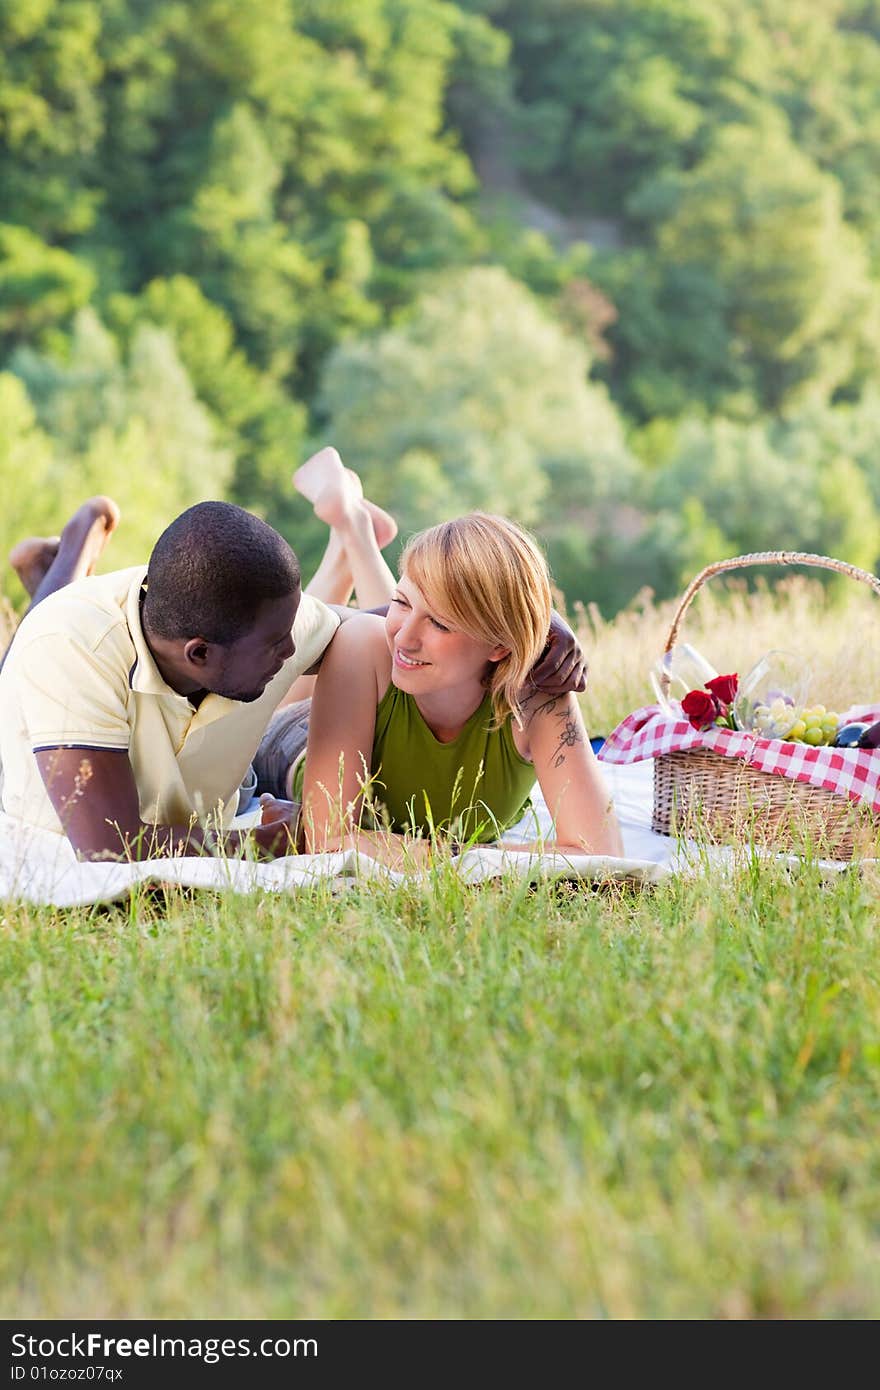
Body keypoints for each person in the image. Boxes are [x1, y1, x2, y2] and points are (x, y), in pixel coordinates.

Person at [0, 453, 587, 862]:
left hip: (159, 663)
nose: (297, 652)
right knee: (37, 643)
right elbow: (108, 847)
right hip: (57, 658)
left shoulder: (265, 634)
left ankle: (56, 567)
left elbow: (391, 630)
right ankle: (66, 560)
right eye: (276, 647)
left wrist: (540, 624)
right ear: (199, 654)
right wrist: (260, 845)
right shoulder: (72, 652)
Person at [253, 453, 621, 868]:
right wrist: (482, 859)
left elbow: (600, 854)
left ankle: (352, 534)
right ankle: (353, 532)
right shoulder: (367, 645)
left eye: (442, 624)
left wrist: (409, 850)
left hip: (392, 687)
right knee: (342, 639)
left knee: (397, 642)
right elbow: (330, 840)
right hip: (295, 736)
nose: (406, 637)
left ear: (500, 645)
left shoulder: (535, 694)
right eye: (400, 599)